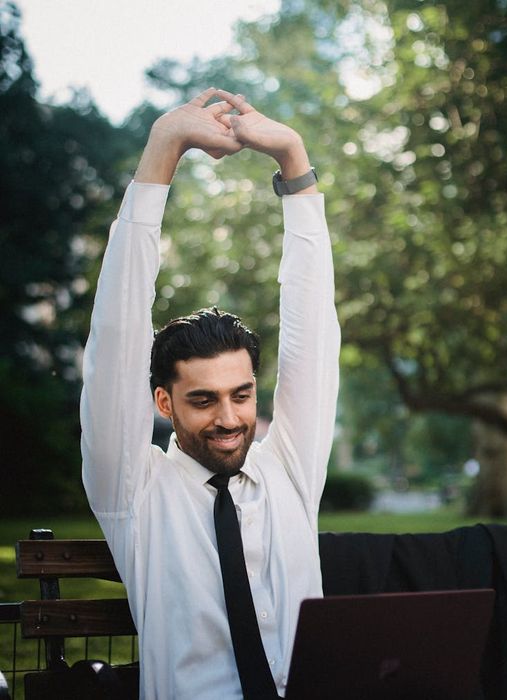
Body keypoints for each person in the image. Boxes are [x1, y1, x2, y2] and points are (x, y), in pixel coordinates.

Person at [80, 88, 340, 700]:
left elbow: (313, 333)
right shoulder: (133, 492)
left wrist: (294, 164)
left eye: (242, 395)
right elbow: (117, 332)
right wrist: (164, 146)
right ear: (163, 404)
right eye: (203, 400)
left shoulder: (290, 470)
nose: (230, 420)